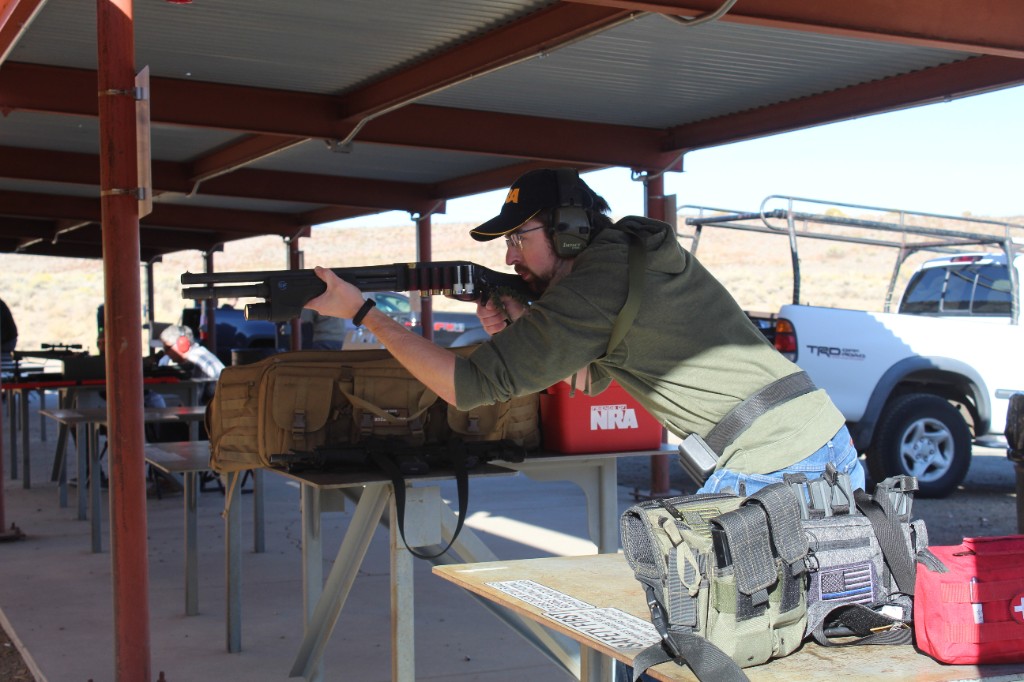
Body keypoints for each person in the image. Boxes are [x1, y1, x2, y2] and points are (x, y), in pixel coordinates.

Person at [304, 168, 866, 498]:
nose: (509, 255)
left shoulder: (598, 281)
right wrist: (526, 324)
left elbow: (463, 386)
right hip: (799, 448)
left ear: (570, 231)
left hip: (780, 461)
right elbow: (591, 378)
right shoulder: (613, 264)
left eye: (519, 238)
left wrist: (363, 314)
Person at [159, 324, 225, 404]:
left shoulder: (194, 361)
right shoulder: (199, 352)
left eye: (167, 348)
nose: (166, 353)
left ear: (182, 344)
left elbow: (193, 400)